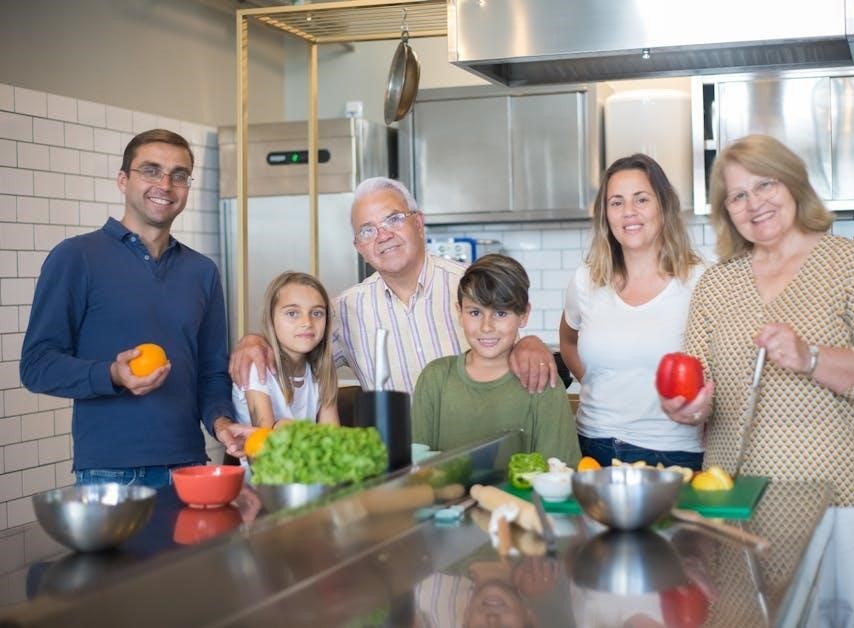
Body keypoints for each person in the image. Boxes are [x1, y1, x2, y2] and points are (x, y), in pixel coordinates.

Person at [663, 134, 854, 628]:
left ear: (793, 184)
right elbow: (699, 381)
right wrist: (689, 407)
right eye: (737, 195)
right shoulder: (716, 283)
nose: (754, 203)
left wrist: (810, 357)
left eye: (765, 184)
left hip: (845, 495)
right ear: (726, 211)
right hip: (739, 499)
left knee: (837, 620)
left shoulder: (849, 265)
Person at [19, 129, 247, 487]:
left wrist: (222, 422)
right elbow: (37, 366)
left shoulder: (202, 271)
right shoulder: (76, 257)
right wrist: (112, 374)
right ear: (123, 180)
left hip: (189, 465)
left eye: (179, 175)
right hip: (110, 472)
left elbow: (211, 372)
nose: (165, 185)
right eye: (151, 170)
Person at [229, 176, 558, 398]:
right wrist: (255, 341)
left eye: (394, 219)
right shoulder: (345, 310)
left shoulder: (468, 285)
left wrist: (530, 342)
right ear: (359, 247)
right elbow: (294, 355)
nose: (383, 235)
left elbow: (507, 334)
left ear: (419, 222)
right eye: (368, 230)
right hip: (400, 464)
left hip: (477, 448)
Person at [559, 154, 707, 469]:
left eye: (641, 199)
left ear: (664, 206)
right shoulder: (587, 279)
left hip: (672, 452)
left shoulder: (699, 280)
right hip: (592, 445)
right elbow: (568, 341)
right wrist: (596, 382)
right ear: (606, 215)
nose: (629, 212)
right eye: (617, 202)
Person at [411, 254, 581, 465]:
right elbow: (417, 468)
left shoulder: (543, 385)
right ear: (459, 312)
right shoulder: (435, 378)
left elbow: (560, 473)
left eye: (500, 313)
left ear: (524, 314)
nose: (486, 327)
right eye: (475, 312)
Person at [232, 271, 339, 430]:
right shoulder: (258, 366)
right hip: (266, 447)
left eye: (317, 313)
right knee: (283, 426)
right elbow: (264, 439)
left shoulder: (321, 369)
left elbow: (334, 436)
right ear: (271, 318)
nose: (307, 322)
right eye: (292, 313)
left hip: (305, 446)